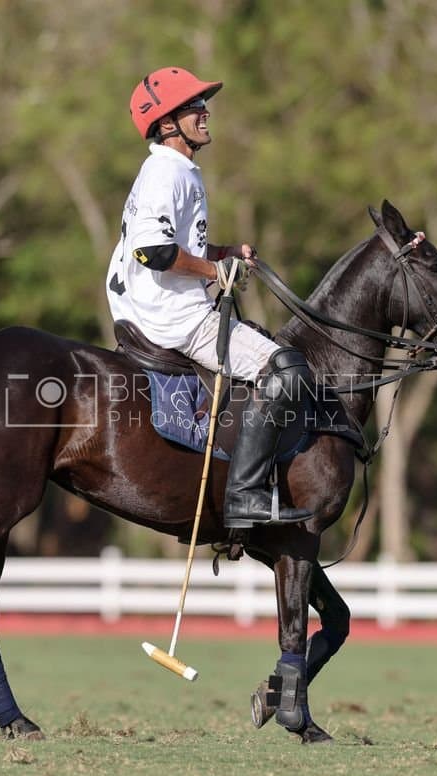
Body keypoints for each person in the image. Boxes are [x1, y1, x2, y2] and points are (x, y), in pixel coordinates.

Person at [106, 66, 313, 528]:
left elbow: (176, 245)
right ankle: (244, 497)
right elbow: (151, 250)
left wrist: (222, 253)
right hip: (171, 317)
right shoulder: (167, 172)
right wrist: (214, 270)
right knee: (288, 369)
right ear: (166, 125)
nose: (204, 112)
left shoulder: (176, 169)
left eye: (202, 103)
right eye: (193, 106)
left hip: (154, 305)